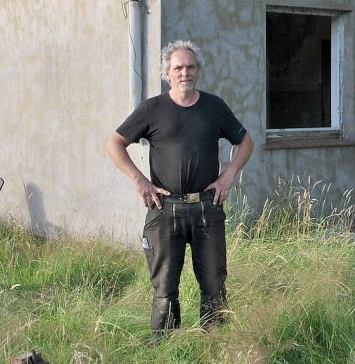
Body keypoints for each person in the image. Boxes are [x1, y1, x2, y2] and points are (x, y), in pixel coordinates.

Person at [105, 40, 254, 340]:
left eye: (190, 67)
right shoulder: (152, 109)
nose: (184, 72)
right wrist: (140, 180)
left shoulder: (215, 107)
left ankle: (214, 346)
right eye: (178, 68)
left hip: (207, 209)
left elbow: (245, 142)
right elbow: (114, 143)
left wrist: (229, 175)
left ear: (198, 71)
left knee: (214, 284)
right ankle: (164, 349)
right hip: (164, 209)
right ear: (167, 74)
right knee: (164, 289)